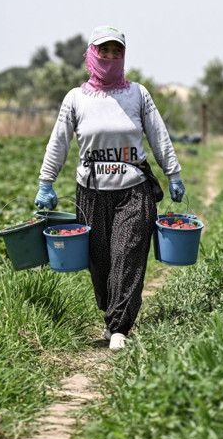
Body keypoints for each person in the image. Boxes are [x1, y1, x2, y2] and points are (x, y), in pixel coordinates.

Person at [34, 25, 185, 350]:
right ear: (92, 53)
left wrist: (173, 172)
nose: (111, 56)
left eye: (117, 51)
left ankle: (120, 327)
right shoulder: (76, 99)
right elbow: (58, 143)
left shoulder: (137, 94)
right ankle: (110, 313)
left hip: (133, 190)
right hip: (91, 193)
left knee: (127, 255)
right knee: (100, 261)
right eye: (105, 50)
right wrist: (46, 182)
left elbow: (158, 134)